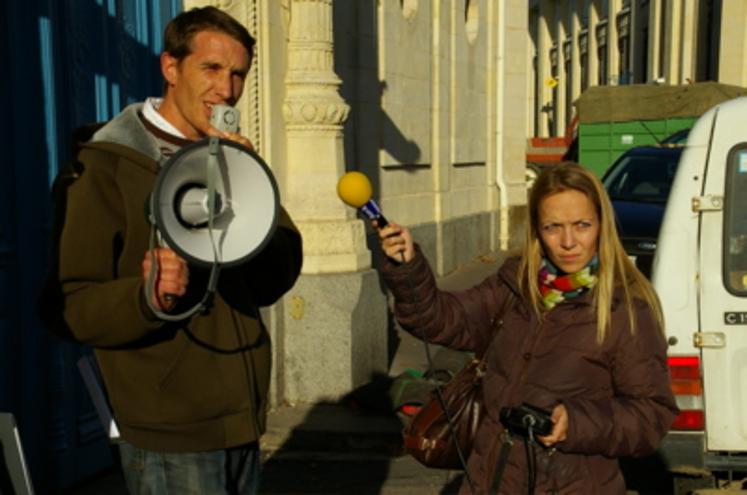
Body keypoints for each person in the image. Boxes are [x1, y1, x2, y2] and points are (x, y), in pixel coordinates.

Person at [52, 7, 302, 494]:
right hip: (170, 431)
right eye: (210, 69)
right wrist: (144, 299)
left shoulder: (232, 158)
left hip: (241, 420)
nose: (226, 90)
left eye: (238, 74)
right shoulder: (104, 167)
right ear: (170, 68)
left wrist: (251, 183)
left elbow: (275, 277)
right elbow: (70, 304)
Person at [377, 162, 677, 494]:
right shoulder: (514, 286)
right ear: (536, 229)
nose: (568, 241)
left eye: (582, 225)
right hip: (490, 480)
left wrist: (576, 423)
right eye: (553, 227)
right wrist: (408, 267)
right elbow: (438, 318)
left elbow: (651, 415)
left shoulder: (626, 310)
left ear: (602, 225)